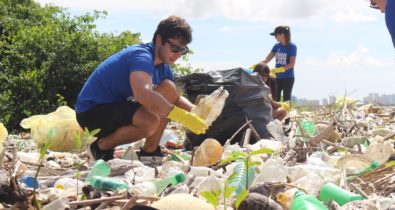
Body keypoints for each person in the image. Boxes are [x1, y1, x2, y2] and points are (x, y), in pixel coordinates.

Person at [75, 16, 208, 162]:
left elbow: (174, 97)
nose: (178, 55)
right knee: (149, 122)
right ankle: (101, 147)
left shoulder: (163, 67)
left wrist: (198, 113)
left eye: (183, 50)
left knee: (169, 89)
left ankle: (149, 152)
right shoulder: (142, 57)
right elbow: (142, 93)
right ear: (159, 39)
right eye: (175, 48)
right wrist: (181, 116)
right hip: (91, 112)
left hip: (117, 107)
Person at [259, 26, 297, 106]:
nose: (275, 37)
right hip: (277, 78)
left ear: (282, 35)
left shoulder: (292, 46)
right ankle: (277, 118)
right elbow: (267, 60)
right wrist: (258, 65)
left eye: (276, 35)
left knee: (287, 98)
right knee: (276, 98)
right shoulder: (276, 46)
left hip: (288, 77)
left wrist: (280, 69)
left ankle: (287, 118)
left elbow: (291, 64)